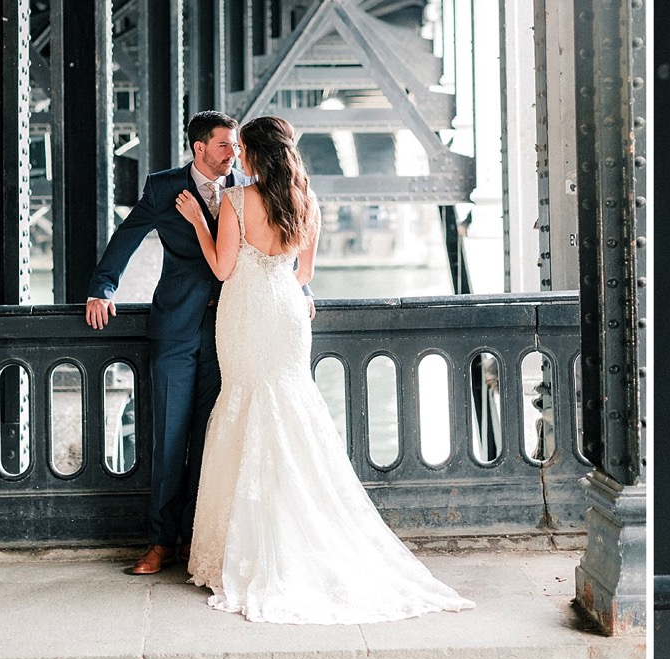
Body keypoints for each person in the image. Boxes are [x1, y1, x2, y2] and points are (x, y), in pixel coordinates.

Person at [174, 115, 472, 624]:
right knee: (291, 406)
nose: (238, 156)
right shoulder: (306, 203)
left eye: (242, 149)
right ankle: (300, 532)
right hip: (287, 310)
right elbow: (304, 273)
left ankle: (242, 547)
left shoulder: (233, 201)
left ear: (255, 154)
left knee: (243, 404)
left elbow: (223, 269)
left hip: (245, 310)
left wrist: (199, 224)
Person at [86, 110, 245, 576]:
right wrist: (103, 287)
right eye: (223, 145)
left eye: (235, 146)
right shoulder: (163, 187)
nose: (232, 154)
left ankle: (200, 541)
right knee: (168, 438)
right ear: (199, 147)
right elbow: (128, 235)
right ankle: (160, 543)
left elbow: (275, 241)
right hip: (175, 326)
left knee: (212, 439)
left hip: (230, 330)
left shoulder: (247, 187)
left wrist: (302, 290)